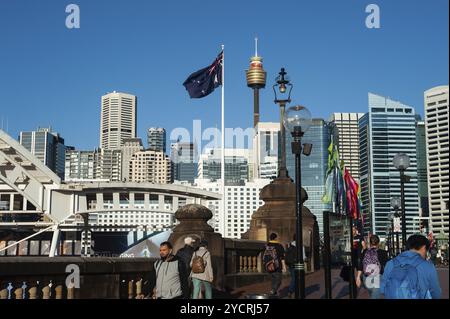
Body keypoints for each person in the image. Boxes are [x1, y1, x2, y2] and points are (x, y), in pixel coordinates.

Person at [381, 234, 442, 299]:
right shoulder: (428, 266)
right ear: (424, 247)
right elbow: (435, 292)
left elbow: (382, 289)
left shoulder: (390, 263)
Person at [356, 234, 389, 299]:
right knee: (375, 295)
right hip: (378, 277)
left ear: (370, 243)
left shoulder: (365, 251)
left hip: (366, 278)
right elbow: (386, 267)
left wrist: (358, 277)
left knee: (373, 294)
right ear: (378, 243)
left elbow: (361, 265)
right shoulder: (383, 253)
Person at [263, 233, 286, 297]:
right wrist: (284, 267)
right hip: (277, 266)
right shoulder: (279, 246)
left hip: (268, 266)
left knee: (273, 280)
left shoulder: (266, 245)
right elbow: (282, 257)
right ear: (275, 238)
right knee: (279, 280)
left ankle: (273, 295)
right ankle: (273, 290)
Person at [285, 234, 306, 299]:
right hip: (299, 264)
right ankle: (292, 291)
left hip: (291, 263)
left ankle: (292, 291)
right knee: (300, 277)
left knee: (293, 277)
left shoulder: (289, 244)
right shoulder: (301, 246)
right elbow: (303, 257)